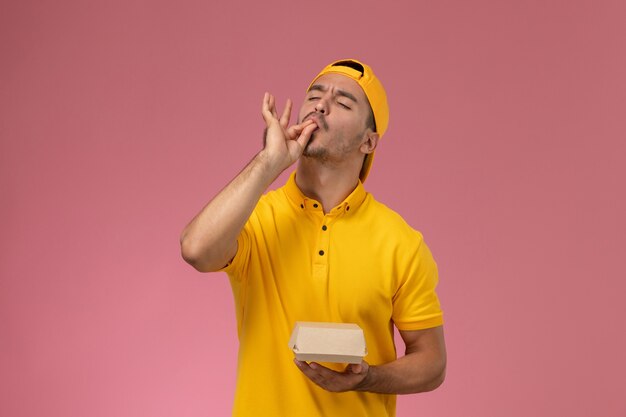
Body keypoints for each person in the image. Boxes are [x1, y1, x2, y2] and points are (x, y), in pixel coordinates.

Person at [180, 59, 446, 417]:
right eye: (315, 95)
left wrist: (366, 378)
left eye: (344, 102)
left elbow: (432, 363)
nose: (322, 104)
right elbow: (196, 250)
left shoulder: (400, 242)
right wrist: (269, 162)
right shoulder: (256, 218)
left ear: (368, 141)